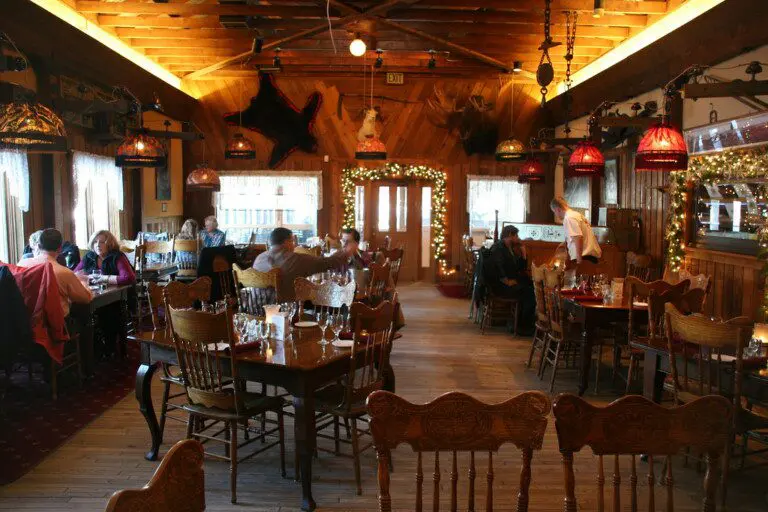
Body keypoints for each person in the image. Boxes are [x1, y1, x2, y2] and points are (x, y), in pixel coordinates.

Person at [253, 227, 355, 300]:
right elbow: (327, 263)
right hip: (286, 315)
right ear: (286, 242)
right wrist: (346, 252)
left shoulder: (259, 259)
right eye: (292, 241)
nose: (294, 245)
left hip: (256, 314)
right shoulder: (295, 260)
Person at [16, 228, 92, 317]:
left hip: (26, 321)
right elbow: (85, 298)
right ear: (60, 249)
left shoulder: (22, 264)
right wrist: (83, 282)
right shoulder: (63, 272)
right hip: (56, 324)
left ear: (39, 246)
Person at [486, 225, 535, 336]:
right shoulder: (498, 247)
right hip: (500, 286)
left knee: (531, 287)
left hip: (508, 283)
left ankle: (521, 322)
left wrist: (523, 254)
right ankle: (522, 326)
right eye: (516, 235)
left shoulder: (509, 248)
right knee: (529, 293)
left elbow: (519, 268)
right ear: (510, 235)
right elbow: (497, 267)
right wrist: (506, 280)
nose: (518, 238)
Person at [550, 196, 601, 266]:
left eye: (554, 212)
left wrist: (579, 260)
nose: (555, 215)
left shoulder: (569, 218)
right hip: (589, 257)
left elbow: (578, 237)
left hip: (583, 258)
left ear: (557, 210)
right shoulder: (577, 215)